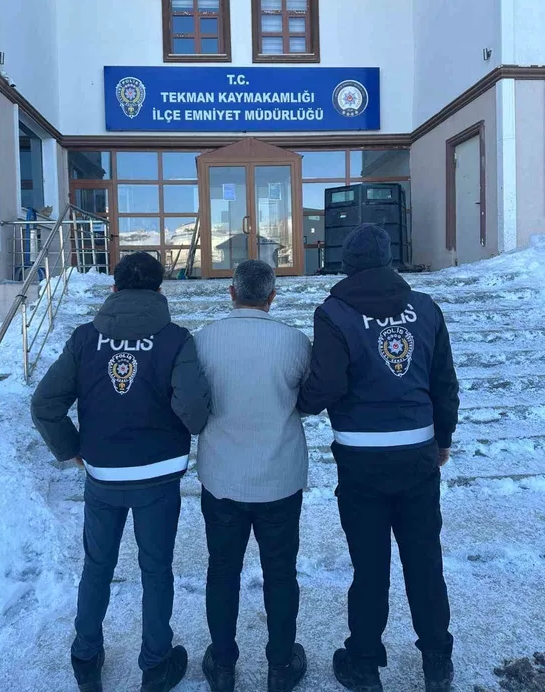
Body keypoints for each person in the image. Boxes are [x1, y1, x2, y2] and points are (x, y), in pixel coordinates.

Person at [30, 251, 210, 692]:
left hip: (104, 476)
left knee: (97, 566)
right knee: (156, 570)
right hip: (158, 476)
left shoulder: (84, 339)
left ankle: (85, 656)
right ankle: (156, 664)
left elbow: (45, 404)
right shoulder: (176, 339)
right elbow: (193, 411)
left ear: (113, 289)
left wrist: (71, 448)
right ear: (160, 290)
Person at [298, 224, 459, 692]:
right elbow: (444, 382)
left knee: (369, 568)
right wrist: (443, 438)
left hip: (361, 461)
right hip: (418, 456)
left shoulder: (334, 312)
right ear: (390, 260)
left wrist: (300, 402)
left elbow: (328, 384)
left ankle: (364, 664)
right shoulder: (425, 308)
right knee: (424, 561)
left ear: (347, 264)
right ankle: (437, 662)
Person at [195, 260, 312, 692]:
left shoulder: (204, 340)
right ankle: (280, 665)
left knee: (222, 571)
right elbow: (309, 396)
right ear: (272, 296)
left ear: (231, 292)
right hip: (279, 477)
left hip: (222, 476)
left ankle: (223, 665)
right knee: (281, 573)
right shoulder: (294, 341)